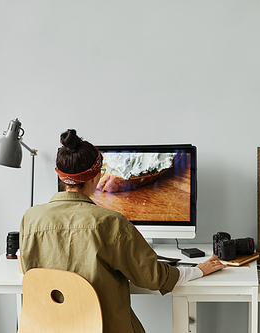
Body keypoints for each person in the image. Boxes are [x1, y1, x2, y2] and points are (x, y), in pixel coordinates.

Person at [19, 129, 226, 333]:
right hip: (102, 327)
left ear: (61, 177)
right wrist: (198, 270)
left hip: (46, 327)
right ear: (96, 177)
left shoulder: (30, 218)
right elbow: (153, 278)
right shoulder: (111, 222)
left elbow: (29, 271)